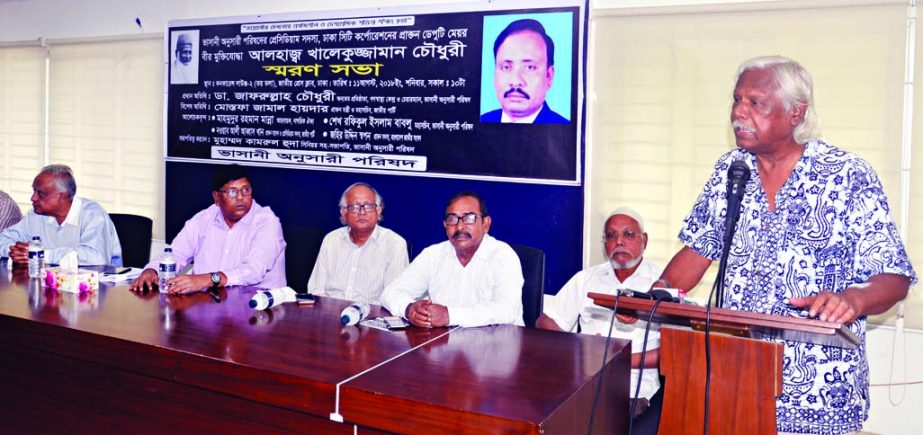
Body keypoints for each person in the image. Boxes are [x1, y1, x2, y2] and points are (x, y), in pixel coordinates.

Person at [655, 56, 916, 434]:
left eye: (755, 103)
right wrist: (655, 296)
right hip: (733, 385)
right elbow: (699, 250)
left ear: (796, 113)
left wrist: (853, 299)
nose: (739, 113)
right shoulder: (731, 170)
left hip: (818, 395)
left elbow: (894, 275)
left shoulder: (846, 175)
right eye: (736, 100)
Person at [536, 207, 663, 430]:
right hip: (580, 386)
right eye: (611, 236)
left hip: (633, 392)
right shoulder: (586, 279)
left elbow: (677, 351)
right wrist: (578, 350)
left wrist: (617, 362)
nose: (619, 242)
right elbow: (545, 322)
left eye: (628, 234)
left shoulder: (662, 284)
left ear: (644, 240)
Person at [131, 165, 286, 294]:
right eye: (232, 191)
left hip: (258, 310)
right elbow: (176, 253)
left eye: (246, 190)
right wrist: (152, 271)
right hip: (207, 306)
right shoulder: (203, 219)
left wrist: (206, 279)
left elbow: (253, 270)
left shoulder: (267, 222)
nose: (240, 197)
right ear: (217, 197)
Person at [380, 191, 523, 327]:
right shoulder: (433, 254)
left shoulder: (503, 255)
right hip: (446, 342)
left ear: (485, 224)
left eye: (469, 218)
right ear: (445, 225)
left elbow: (507, 310)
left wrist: (449, 315)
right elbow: (390, 292)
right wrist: (409, 309)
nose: (460, 226)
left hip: (497, 344)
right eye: (452, 219)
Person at [0, 164, 121, 266]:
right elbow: (3, 239)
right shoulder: (36, 215)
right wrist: (16, 252)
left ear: (63, 196)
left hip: (99, 288)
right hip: (52, 284)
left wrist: (40, 255)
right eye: (34, 191)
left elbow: (96, 257)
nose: (33, 198)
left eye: (40, 193)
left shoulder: (92, 214)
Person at [307, 182, 409, 303]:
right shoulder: (331, 240)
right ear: (344, 212)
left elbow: (393, 298)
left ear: (379, 210)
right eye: (355, 207)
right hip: (329, 313)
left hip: (370, 317)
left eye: (368, 206)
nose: (362, 212)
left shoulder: (394, 244)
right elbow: (315, 290)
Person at [480, 19, 568, 124]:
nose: (516, 81)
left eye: (530, 67)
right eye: (506, 67)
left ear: (549, 76)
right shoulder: (481, 121)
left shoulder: (565, 131)